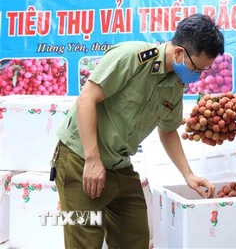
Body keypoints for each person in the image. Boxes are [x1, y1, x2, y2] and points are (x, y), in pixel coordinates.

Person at [51, 14, 224, 249]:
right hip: (80, 160)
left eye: (204, 70)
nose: (197, 76)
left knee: (135, 238)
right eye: (197, 68)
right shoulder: (132, 57)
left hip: (119, 164)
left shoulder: (175, 85)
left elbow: (168, 130)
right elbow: (86, 100)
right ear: (179, 53)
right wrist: (92, 160)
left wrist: (188, 175)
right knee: (84, 242)